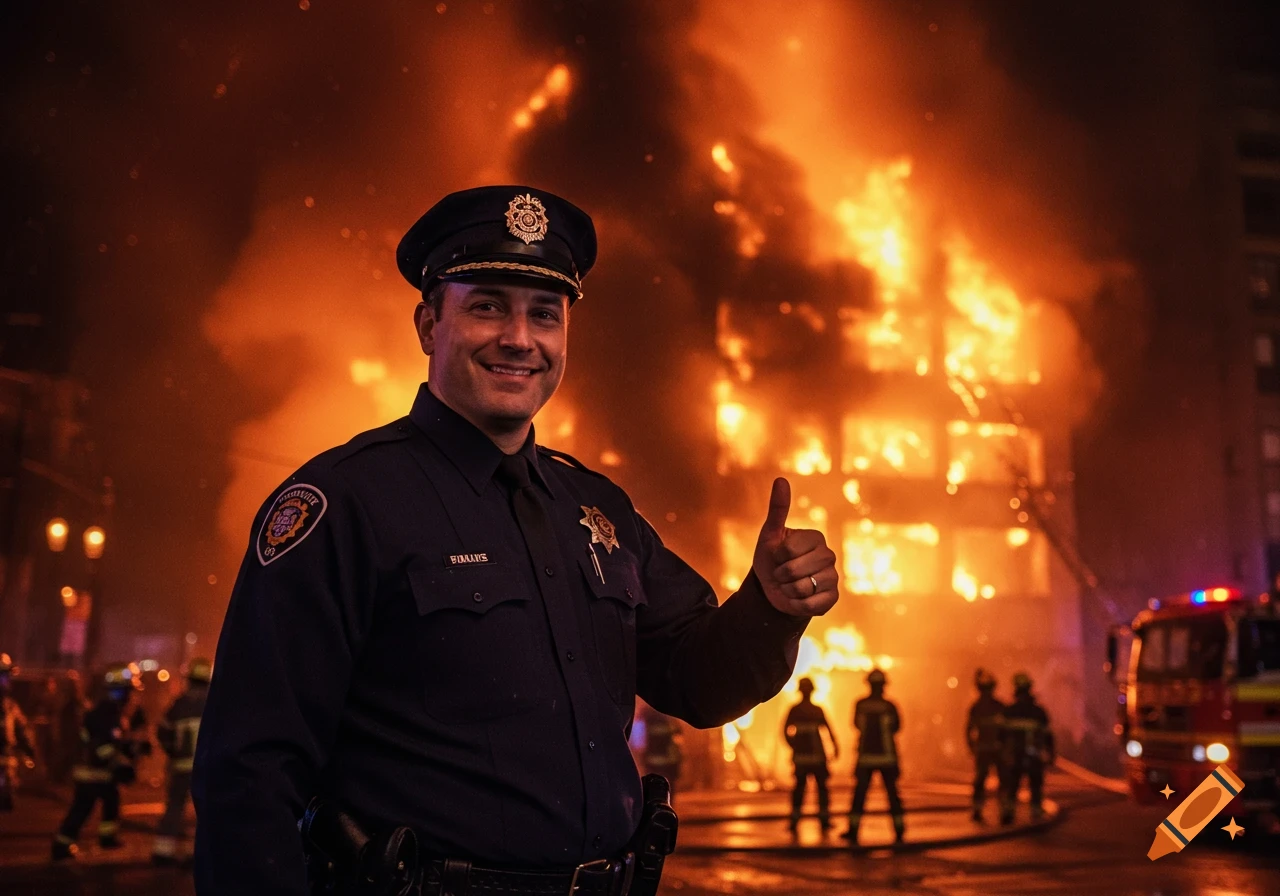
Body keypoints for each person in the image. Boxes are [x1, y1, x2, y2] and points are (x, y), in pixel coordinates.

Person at [192, 185, 841, 896]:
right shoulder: (345, 505)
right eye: (487, 305)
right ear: (426, 324)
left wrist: (772, 608)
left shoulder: (598, 509)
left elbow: (699, 680)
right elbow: (249, 771)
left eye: (545, 314)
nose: (519, 338)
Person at [52, 664, 149, 860]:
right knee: (83, 808)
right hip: (93, 773)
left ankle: (105, 838)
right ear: (120, 691)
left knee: (109, 802)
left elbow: (116, 742)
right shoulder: (104, 714)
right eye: (128, 691)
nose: (131, 696)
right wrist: (121, 763)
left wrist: (134, 748)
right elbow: (102, 747)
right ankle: (62, 846)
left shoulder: (111, 713)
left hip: (99, 773)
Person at [152, 657, 212, 865]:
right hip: (206, 768)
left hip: (180, 768)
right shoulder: (214, 705)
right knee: (204, 811)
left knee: (174, 807)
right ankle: (197, 853)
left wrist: (173, 752)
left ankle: (162, 852)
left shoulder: (179, 704)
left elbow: (163, 732)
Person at [842, 668, 904, 845]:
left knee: (860, 795)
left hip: (865, 758)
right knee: (893, 795)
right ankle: (899, 831)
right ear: (883, 686)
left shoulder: (860, 705)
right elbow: (897, 727)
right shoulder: (890, 706)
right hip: (887, 758)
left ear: (869, 684)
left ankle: (853, 831)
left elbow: (855, 725)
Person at [998, 671, 1054, 825]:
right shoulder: (1038, 712)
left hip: (1015, 756)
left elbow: (1001, 736)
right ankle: (1035, 812)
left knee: (1012, 786)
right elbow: (1048, 736)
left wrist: (1002, 755)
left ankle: (1008, 813)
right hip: (1033, 756)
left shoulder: (1009, 711)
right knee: (1034, 784)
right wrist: (1050, 754)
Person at [783, 677, 837, 835]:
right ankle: (824, 819)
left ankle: (795, 819)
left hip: (802, 758)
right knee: (821, 788)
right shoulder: (817, 710)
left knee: (800, 788)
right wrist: (835, 747)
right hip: (817, 757)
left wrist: (793, 745)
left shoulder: (795, 710)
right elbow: (828, 730)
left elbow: (785, 731)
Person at [965, 668, 1005, 822]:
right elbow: (969, 730)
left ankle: (978, 809)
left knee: (982, 780)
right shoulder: (999, 706)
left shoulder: (976, 707)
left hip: (986, 749)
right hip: (995, 749)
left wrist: (971, 746)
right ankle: (1003, 810)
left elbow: (969, 730)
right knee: (1000, 780)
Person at [1, 653, 37, 811]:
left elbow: (22, 729)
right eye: (3, 676)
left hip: (6, 757)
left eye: (6, 676)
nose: (5, 681)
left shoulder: (10, 706)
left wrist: (29, 751)